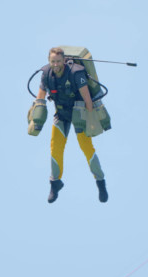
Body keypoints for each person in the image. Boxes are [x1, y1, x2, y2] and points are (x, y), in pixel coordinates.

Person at [37, 47, 108, 204]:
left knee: (87, 148)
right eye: (52, 61)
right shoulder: (46, 74)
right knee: (55, 148)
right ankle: (55, 183)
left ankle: (100, 182)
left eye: (58, 61)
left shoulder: (76, 73)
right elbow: (40, 98)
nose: (55, 64)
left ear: (63, 60)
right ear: (49, 61)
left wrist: (89, 121)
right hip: (61, 114)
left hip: (79, 114)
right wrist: (36, 117)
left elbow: (88, 100)